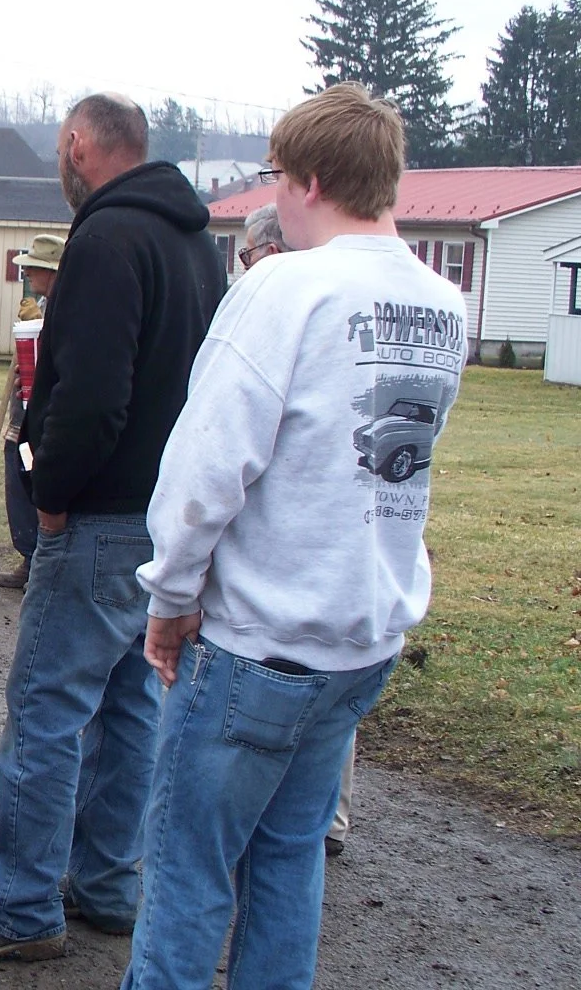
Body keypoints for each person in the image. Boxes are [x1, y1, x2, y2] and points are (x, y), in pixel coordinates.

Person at [124, 83, 465, 989]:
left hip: (257, 645)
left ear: (309, 178)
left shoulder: (286, 287)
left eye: (277, 176)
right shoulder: (443, 304)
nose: (273, 196)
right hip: (361, 641)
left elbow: (206, 469)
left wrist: (170, 599)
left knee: (188, 871)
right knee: (288, 858)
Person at [0, 93, 226, 963]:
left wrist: (51, 491)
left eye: (63, 150)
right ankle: (107, 884)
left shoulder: (103, 238)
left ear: (79, 145)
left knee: (47, 710)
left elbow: (91, 396)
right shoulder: (197, 244)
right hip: (168, 522)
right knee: (131, 707)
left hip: (98, 519)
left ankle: (20, 909)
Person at [239, 202, 358, 859]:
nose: (249, 269)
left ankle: (308, 816)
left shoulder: (284, 313)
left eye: (251, 257)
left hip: (298, 544)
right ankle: (323, 817)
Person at [0, 233, 64, 590]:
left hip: (42, 418)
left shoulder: (66, 308)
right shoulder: (41, 307)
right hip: (22, 415)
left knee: (33, 479)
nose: (29, 276)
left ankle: (41, 559)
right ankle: (28, 556)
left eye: (33, 269)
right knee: (17, 476)